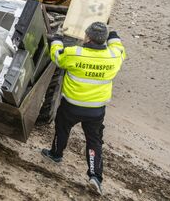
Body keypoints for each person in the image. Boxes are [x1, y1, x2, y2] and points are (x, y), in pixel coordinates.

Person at [41, 22, 126, 196]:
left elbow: (57, 56)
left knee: (62, 129)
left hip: (72, 105)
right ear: (103, 40)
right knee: (94, 140)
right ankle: (95, 176)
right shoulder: (114, 57)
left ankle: (56, 154)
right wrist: (114, 34)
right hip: (96, 110)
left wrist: (57, 38)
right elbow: (119, 47)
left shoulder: (75, 53)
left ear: (87, 37)